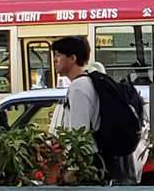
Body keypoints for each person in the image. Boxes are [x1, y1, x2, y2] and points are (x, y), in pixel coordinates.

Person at [55, 36, 136, 182]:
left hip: (90, 164)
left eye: (58, 55)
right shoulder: (90, 82)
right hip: (102, 160)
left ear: (72, 58)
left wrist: (74, 169)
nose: (55, 60)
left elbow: (80, 133)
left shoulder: (78, 87)